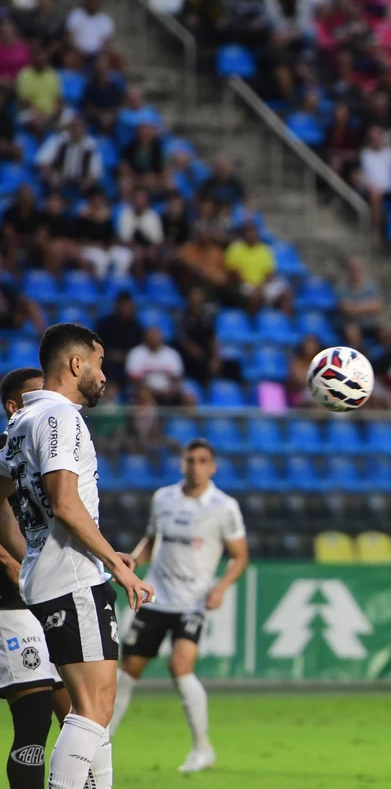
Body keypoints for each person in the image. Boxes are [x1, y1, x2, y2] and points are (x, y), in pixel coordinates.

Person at [0, 323, 154, 789]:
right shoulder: (60, 418)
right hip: (72, 579)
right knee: (91, 711)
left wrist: (32, 554)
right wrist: (111, 561)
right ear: (75, 364)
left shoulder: (20, 422)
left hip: (52, 576)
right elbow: (64, 501)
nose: (104, 374)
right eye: (100, 363)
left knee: (95, 712)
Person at [108, 439, 248, 773]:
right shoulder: (163, 498)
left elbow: (240, 556)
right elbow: (153, 538)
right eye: (190, 460)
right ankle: (102, 741)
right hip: (156, 598)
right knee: (128, 670)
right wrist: (134, 563)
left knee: (180, 666)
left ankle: (202, 748)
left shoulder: (224, 507)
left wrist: (221, 588)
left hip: (193, 602)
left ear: (212, 467)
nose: (195, 466)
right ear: (182, 464)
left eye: (202, 461)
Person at [0, 368, 72, 789]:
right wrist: (12, 563)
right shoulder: (4, 453)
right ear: (13, 406)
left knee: (80, 715)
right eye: (35, 394)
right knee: (33, 720)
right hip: (11, 603)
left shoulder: (46, 453)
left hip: (46, 597)